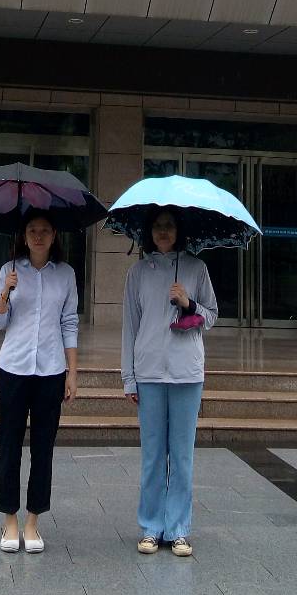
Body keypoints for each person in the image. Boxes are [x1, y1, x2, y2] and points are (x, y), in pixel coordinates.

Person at [121, 208, 218, 558]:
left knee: (181, 456)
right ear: (150, 231)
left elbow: (211, 316)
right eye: (158, 226)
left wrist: (189, 303)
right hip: (148, 373)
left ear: (179, 231)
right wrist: (129, 377)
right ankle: (151, 527)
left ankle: (178, 529)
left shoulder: (197, 268)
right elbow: (130, 326)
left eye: (170, 226)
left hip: (186, 373)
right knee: (151, 456)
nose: (163, 231)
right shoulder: (138, 272)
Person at [0, 212, 78, 554]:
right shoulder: (9, 271)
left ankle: (32, 521)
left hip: (51, 371)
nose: (38, 236)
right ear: (23, 236)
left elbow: (69, 322)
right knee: (9, 445)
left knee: (43, 448)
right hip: (13, 368)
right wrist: (5, 293)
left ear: (54, 235)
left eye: (44, 230)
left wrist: (72, 371)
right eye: (32, 230)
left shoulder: (66, 274)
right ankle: (9, 518)